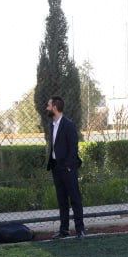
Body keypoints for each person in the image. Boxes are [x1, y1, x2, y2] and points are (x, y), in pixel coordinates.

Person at [45, 96, 85, 239]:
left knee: (74, 198)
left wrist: (69, 166)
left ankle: (80, 229)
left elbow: (73, 147)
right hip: (56, 167)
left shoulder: (68, 125)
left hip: (68, 168)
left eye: (49, 105)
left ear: (55, 107)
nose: (47, 108)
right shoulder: (52, 125)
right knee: (62, 200)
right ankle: (64, 230)